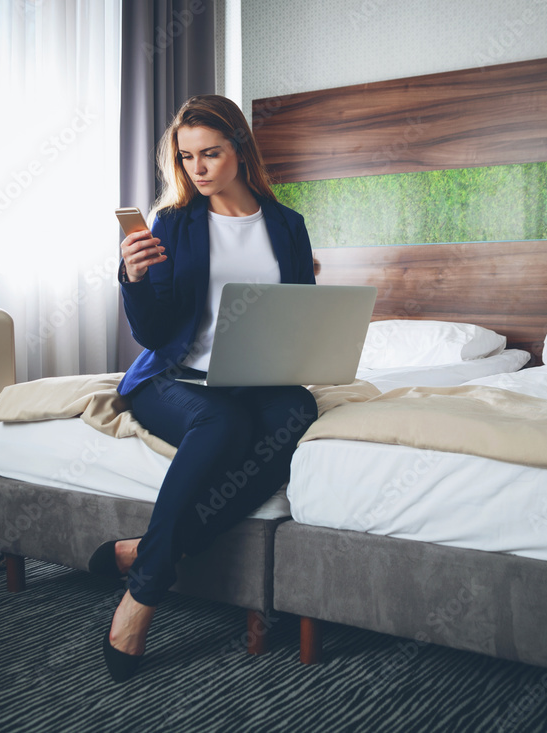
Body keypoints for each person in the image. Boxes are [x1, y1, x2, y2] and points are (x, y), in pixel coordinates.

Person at [93, 94, 319, 682]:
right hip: (174, 377)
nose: (197, 167)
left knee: (297, 409)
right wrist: (135, 278)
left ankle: (142, 549)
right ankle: (142, 594)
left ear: (240, 150)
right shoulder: (173, 223)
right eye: (186, 156)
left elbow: (293, 317)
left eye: (211, 153)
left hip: (255, 376)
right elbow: (154, 330)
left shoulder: (288, 226)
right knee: (223, 424)